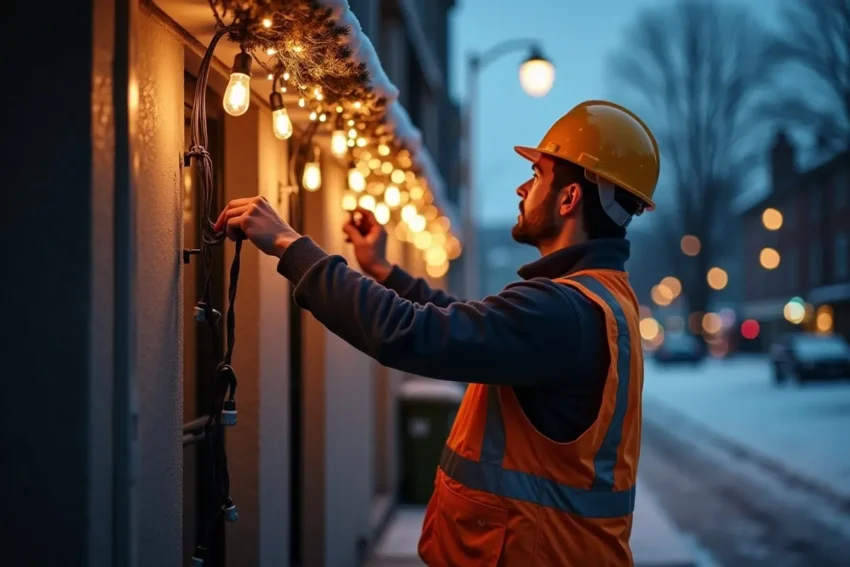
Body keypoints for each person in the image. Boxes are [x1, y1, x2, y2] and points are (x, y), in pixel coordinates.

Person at [214, 100, 660, 566]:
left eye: (538, 174)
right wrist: (384, 271)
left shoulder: (560, 311)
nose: (521, 186)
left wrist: (291, 246)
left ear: (569, 198)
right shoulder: (601, 300)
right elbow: (464, 322)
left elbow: (410, 333)